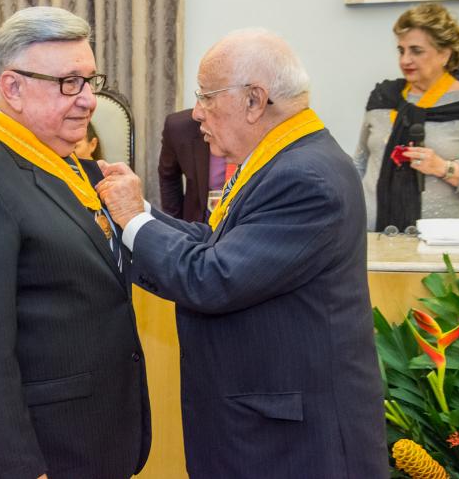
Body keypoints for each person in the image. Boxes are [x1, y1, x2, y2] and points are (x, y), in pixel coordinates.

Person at [96, 29, 388, 478]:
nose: (197, 112)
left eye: (206, 97)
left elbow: (212, 278)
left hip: (294, 445)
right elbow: (217, 243)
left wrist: (134, 219)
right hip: (272, 431)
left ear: (254, 100)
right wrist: (139, 215)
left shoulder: (305, 177)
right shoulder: (290, 158)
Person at [0, 6, 150, 479]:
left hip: (91, 440)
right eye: (69, 83)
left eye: (90, 81)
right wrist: (22, 470)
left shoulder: (77, 170)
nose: (89, 100)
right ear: (12, 88)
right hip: (38, 453)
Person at [354, 2, 459, 232]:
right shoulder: (384, 97)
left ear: (444, 54)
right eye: (401, 50)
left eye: (416, 51)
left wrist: (443, 167)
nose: (405, 60)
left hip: (438, 238)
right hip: (372, 233)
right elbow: (361, 162)